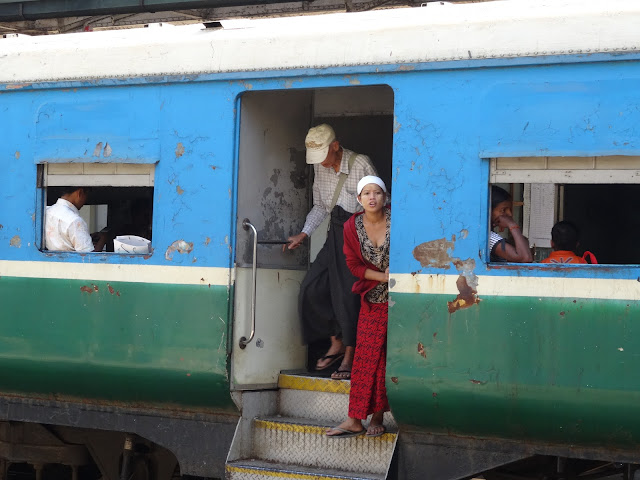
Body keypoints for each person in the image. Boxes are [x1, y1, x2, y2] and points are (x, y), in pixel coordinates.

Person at [286, 124, 377, 379]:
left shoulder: (361, 164)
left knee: (348, 297)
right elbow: (320, 206)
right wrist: (304, 233)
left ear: (336, 146)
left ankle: (349, 355)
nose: (321, 163)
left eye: (323, 156)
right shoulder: (320, 167)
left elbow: (380, 201)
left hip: (358, 236)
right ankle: (336, 339)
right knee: (311, 288)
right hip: (334, 235)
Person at [326, 175, 390, 438]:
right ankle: (354, 419)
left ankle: (376, 416)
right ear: (359, 199)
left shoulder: (397, 221)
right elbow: (354, 266)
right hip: (372, 299)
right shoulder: (352, 226)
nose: (372, 197)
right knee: (365, 359)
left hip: (400, 300)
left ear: (385, 198)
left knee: (384, 359)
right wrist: (383, 277)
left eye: (377, 193)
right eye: (367, 193)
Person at [45, 186, 108, 252]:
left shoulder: (46, 211)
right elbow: (88, 258)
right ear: (80, 193)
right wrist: (103, 240)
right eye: (86, 196)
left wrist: (87, 236)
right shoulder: (75, 220)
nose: (85, 201)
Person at [489, 185, 532, 263]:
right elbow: (525, 258)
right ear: (489, 210)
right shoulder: (489, 237)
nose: (509, 214)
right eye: (503, 210)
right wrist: (512, 225)